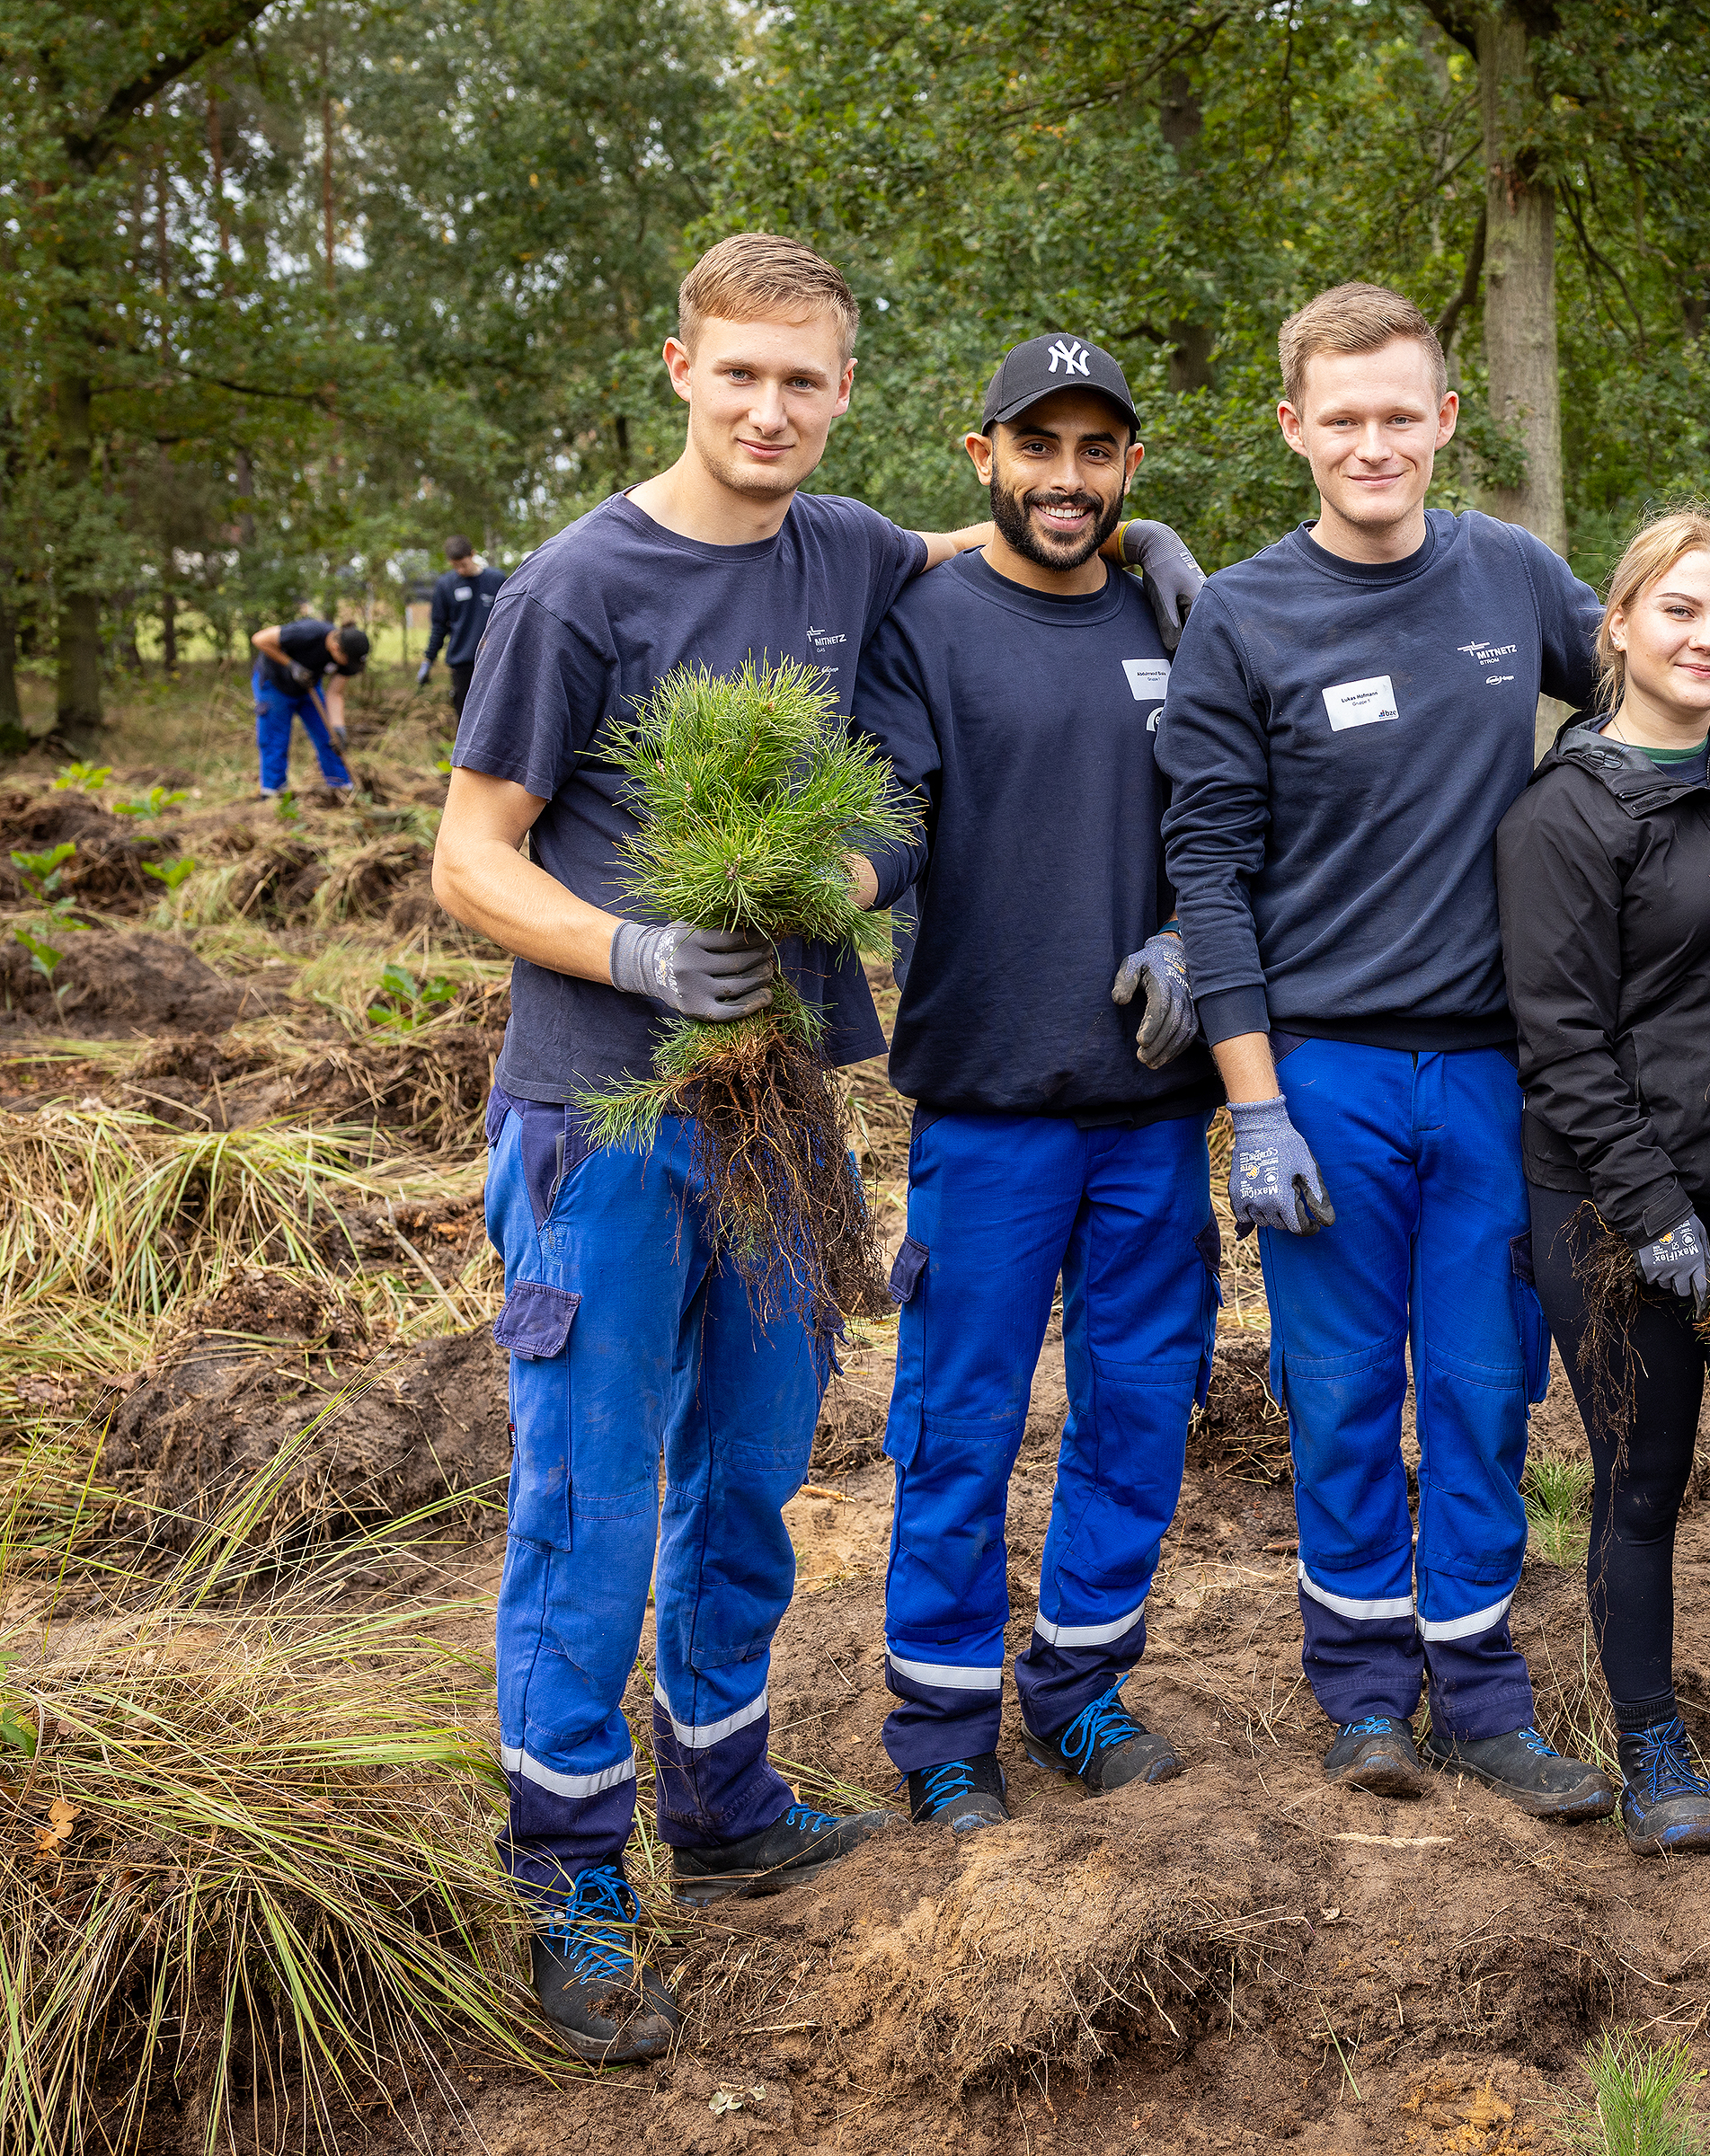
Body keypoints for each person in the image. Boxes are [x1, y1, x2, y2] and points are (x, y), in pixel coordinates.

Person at [1156, 285, 1710, 1826]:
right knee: (1340, 1390)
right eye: (1344, 417)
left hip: (1492, 1069)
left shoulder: (1506, 573)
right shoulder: (1247, 617)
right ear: (1293, 427)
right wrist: (1254, 1105)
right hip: (1322, 1066)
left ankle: (1484, 1700)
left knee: (1479, 1390)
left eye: (1402, 414)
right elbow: (1208, 864)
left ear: (1445, 421)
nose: (1375, 443)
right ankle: (1366, 1696)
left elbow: (1678, 666)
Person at [430, 231, 999, 2066]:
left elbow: (970, 550)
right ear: (679, 366)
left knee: (752, 1473)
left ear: (846, 390)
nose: (770, 410)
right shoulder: (576, 588)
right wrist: (637, 951)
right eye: (739, 373)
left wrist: (1134, 545)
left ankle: (727, 1797)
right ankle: (568, 1870)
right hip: (599, 1115)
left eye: (804, 381)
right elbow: (467, 857)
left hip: (783, 1110)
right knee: (588, 1502)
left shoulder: (843, 550)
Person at [847, 333, 1215, 1834]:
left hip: (1154, 1110)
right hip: (989, 1103)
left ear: (1130, 466)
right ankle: (943, 1726)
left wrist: (1194, 934)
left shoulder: (1175, 613)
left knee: (1141, 1407)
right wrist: (827, 880)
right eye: (1038, 446)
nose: (1067, 478)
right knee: (960, 1422)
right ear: (982, 455)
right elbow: (889, 819)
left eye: (1096, 451)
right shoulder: (926, 623)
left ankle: (1079, 1686)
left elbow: (1229, 814)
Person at [1498, 508, 1710, 1860]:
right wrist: (1649, 1207)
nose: (1707, 639)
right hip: (1610, 1202)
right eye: (1680, 612)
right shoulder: (1565, 813)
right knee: (1641, 1479)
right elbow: (1561, 1043)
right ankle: (1649, 1739)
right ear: (1619, 627)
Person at [249, 614, 368, 799]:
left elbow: (335, 694)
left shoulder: (349, 659)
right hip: (275, 684)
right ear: (336, 648)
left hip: (308, 687)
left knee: (329, 737)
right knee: (275, 739)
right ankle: (273, 793)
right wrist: (291, 665)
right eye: (348, 661)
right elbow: (260, 639)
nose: (349, 666)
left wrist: (338, 728)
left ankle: (342, 790)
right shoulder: (309, 632)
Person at [421, 537, 508, 721]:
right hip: (463, 664)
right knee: (466, 719)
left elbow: (510, 620)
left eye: (463, 565)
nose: (460, 570)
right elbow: (439, 627)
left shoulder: (496, 580)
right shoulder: (445, 585)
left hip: (494, 661)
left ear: (473, 555)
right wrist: (428, 660)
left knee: (496, 717)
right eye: (455, 566)